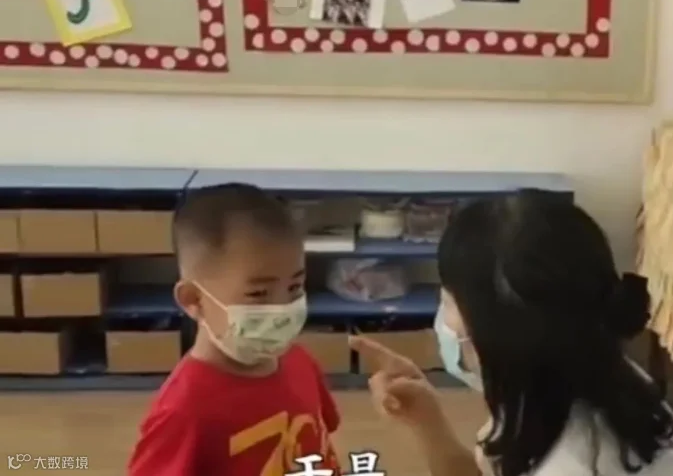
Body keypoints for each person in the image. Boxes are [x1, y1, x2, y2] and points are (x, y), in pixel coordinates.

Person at [351, 190, 673, 476]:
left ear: (499, 337)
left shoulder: (572, 461)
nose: (443, 319)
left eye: (448, 301)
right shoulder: (579, 382)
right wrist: (428, 421)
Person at [128, 183, 340, 476]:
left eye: (294, 287)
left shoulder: (300, 362)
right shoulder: (184, 412)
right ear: (194, 299)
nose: (283, 309)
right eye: (258, 294)